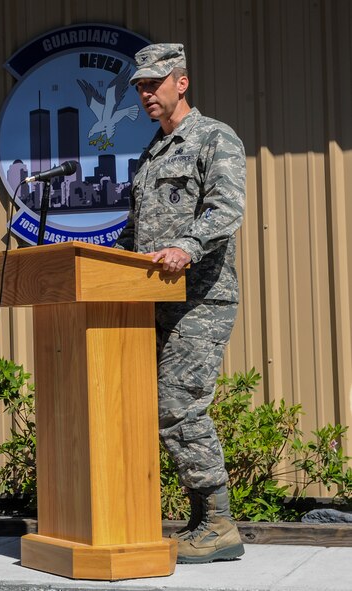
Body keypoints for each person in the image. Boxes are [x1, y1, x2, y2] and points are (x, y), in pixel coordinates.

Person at [115, 43, 246, 564]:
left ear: (181, 82)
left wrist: (186, 248)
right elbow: (133, 231)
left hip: (201, 298)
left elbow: (227, 207)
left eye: (154, 83)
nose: (146, 93)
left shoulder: (214, 137)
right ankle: (199, 519)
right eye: (141, 86)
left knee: (179, 406)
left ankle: (218, 522)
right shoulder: (150, 155)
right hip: (153, 299)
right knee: (159, 408)